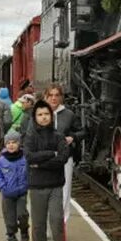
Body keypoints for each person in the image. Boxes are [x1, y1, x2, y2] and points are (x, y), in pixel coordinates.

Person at [25, 100, 69, 241]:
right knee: (38, 223)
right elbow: (29, 157)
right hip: (37, 186)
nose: (44, 118)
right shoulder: (30, 137)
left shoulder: (58, 136)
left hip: (55, 185)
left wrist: (40, 163)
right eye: (40, 115)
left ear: (51, 116)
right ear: (35, 117)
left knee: (57, 220)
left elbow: (62, 158)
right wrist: (51, 154)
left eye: (46, 114)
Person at [43, 84, 83, 223]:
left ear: (61, 97)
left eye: (56, 95)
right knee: (45, 189)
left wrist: (73, 138)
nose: (54, 98)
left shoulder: (69, 114)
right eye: (51, 95)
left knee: (65, 190)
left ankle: (61, 223)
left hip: (64, 157)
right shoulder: (38, 113)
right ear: (46, 97)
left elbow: (81, 131)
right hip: (45, 156)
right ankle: (46, 222)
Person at [0, 130, 29, 241]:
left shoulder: (25, 159)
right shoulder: (1, 160)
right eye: (8, 143)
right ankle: (11, 236)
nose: (11, 145)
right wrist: (2, 186)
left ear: (19, 144)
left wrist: (27, 184)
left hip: (22, 192)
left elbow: (30, 172)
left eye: (14, 142)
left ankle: (24, 231)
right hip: (8, 193)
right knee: (9, 216)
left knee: (22, 214)